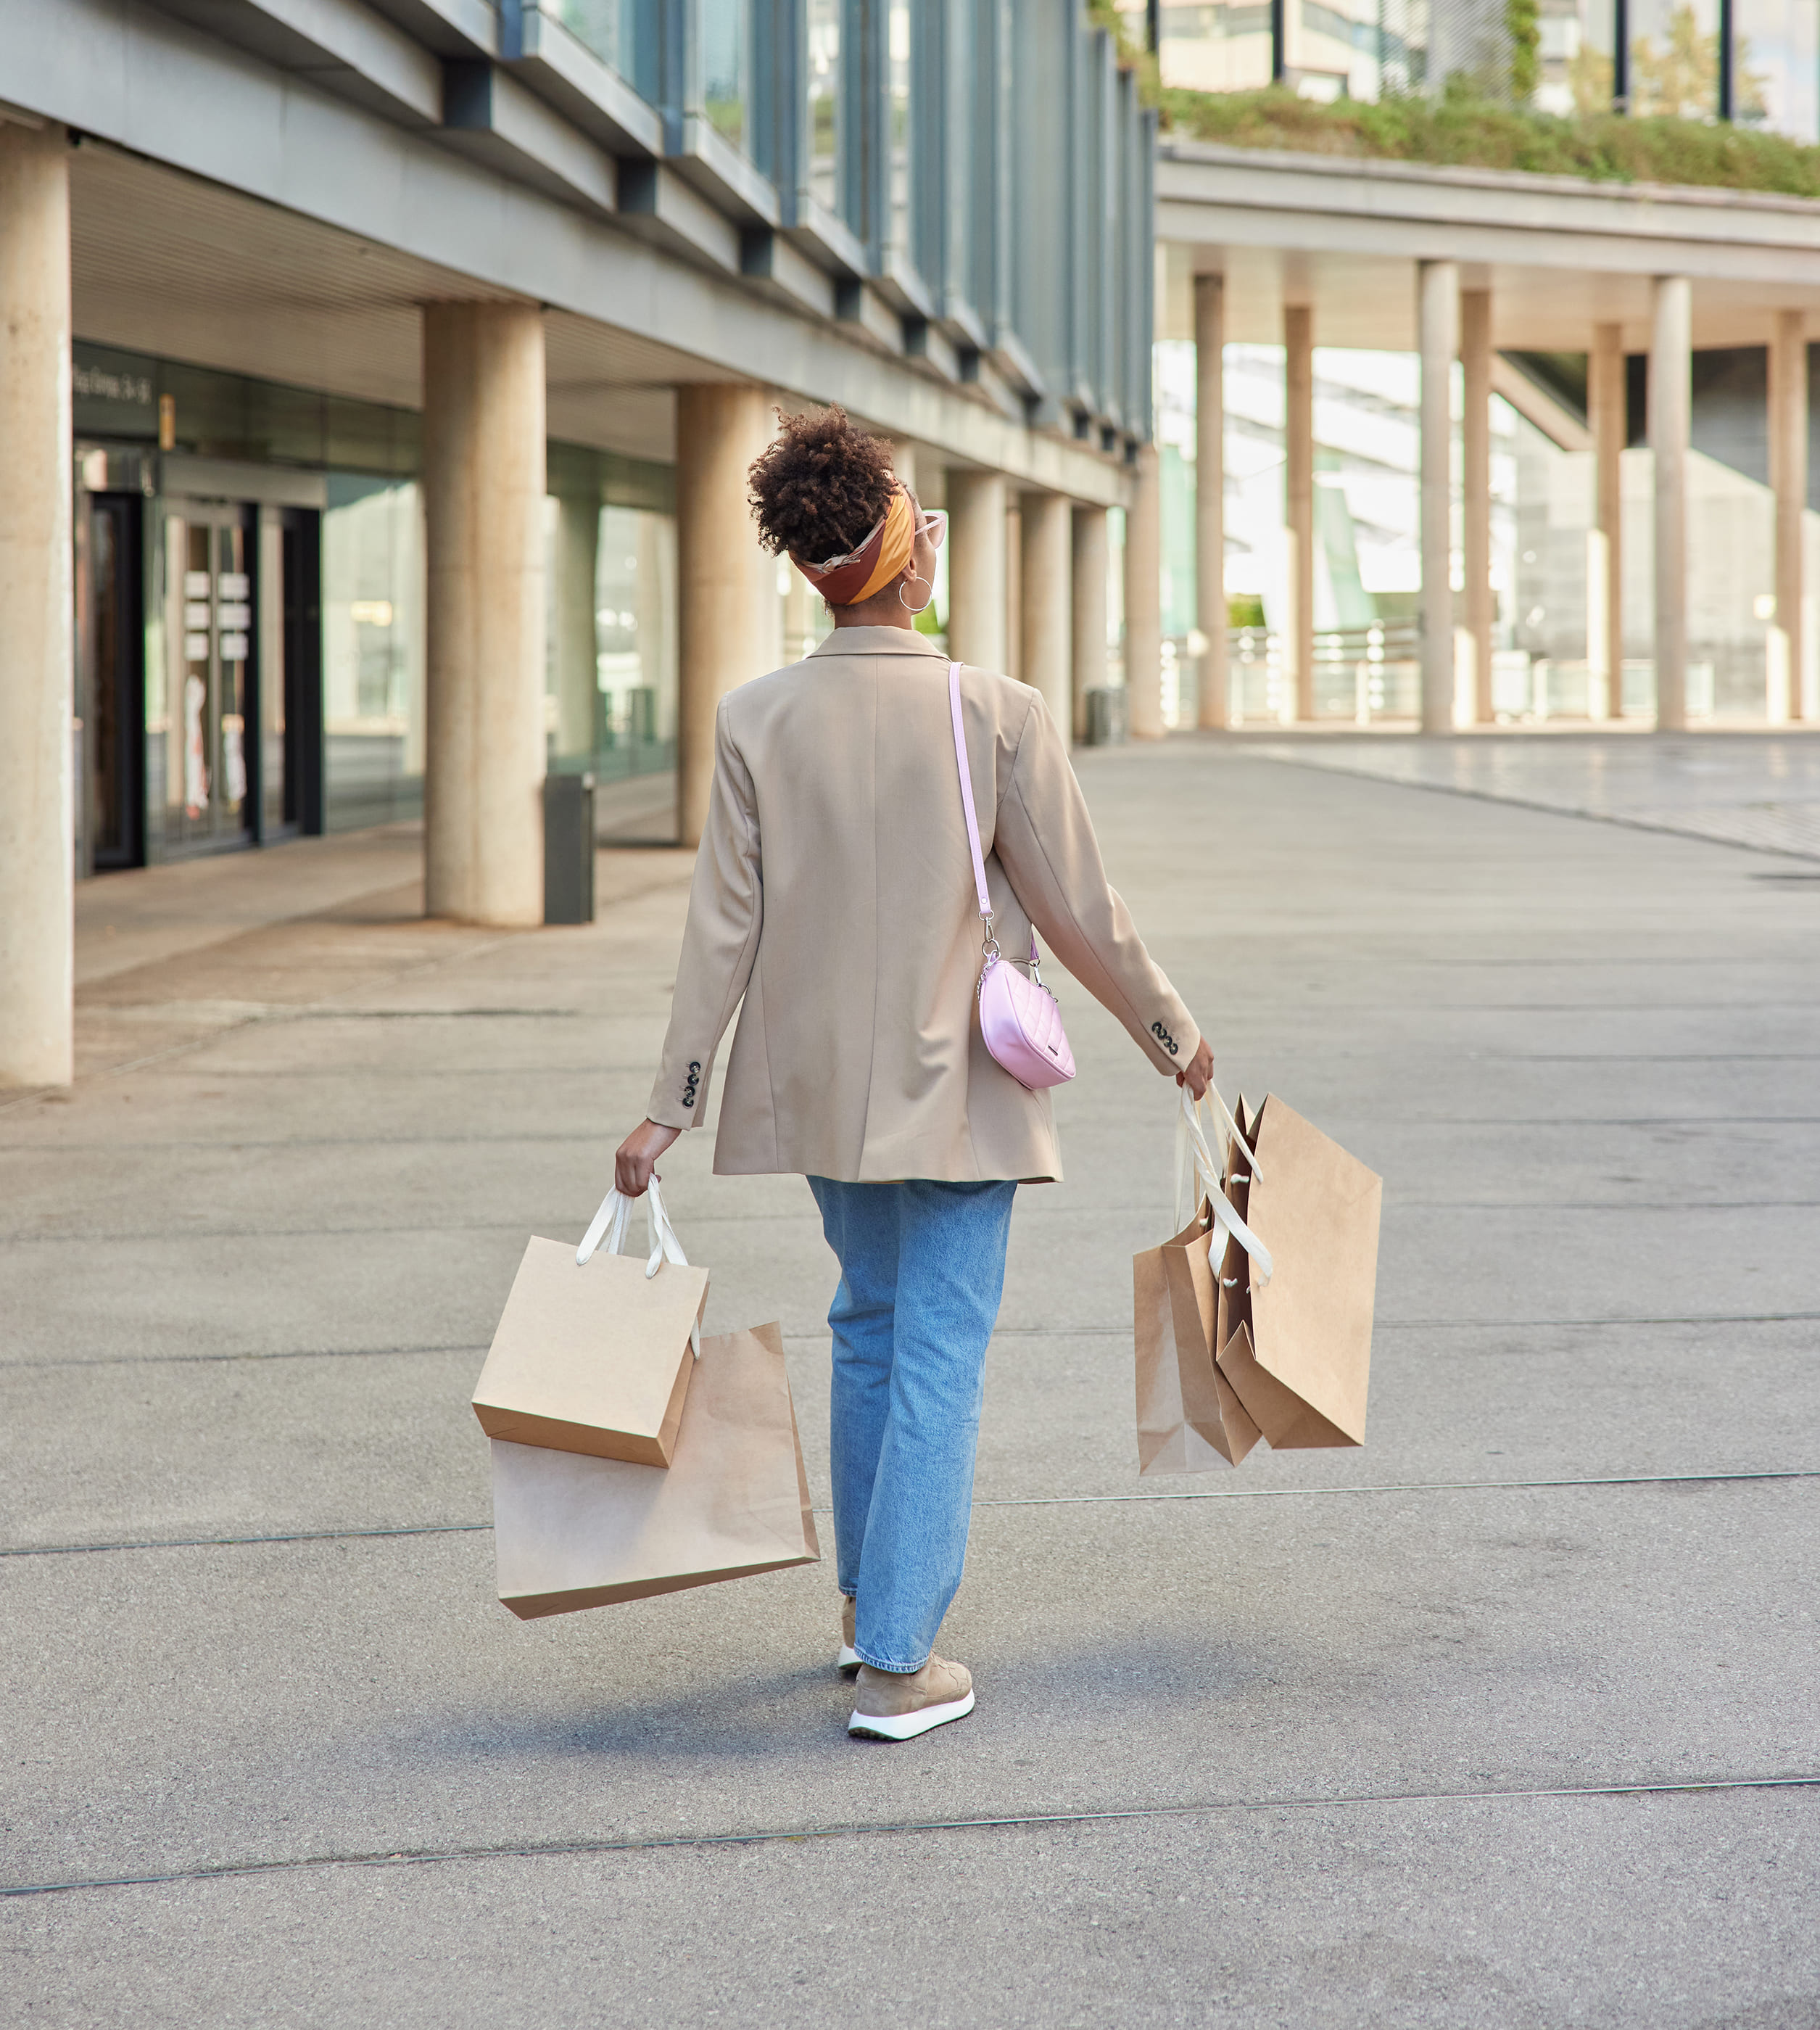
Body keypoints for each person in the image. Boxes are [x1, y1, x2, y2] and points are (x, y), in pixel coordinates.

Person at [615, 408, 1212, 1742]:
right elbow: (1079, 911)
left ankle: (864, 1612)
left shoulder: (754, 717)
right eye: (924, 522)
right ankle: (899, 1661)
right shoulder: (991, 711)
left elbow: (724, 925)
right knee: (936, 1348)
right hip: (959, 1094)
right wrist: (1170, 1037)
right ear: (904, 558)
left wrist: (671, 1105)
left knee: (872, 1330)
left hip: (822, 1094)